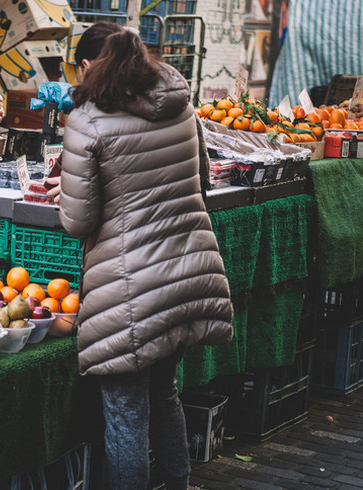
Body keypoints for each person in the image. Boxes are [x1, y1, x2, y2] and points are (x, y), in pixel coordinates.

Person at [53, 22, 234, 490]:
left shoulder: (88, 121)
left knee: (126, 414)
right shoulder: (182, 105)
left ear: (91, 65)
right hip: (189, 269)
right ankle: (179, 483)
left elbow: (77, 221)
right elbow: (200, 180)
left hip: (131, 285)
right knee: (164, 392)